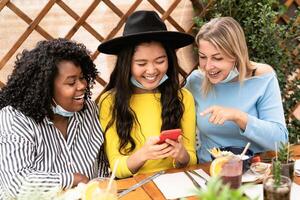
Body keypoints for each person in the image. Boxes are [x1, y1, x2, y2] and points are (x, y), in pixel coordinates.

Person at [0, 38, 109, 199]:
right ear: (45, 88)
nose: (82, 86)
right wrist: (72, 179)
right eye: (71, 82)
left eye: (82, 77)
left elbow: (101, 166)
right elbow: (16, 184)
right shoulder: (15, 119)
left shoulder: (89, 111)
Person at [98, 10, 197, 178]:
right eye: (141, 63)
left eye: (160, 61)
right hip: (134, 188)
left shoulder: (183, 98)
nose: (151, 70)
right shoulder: (110, 101)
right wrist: (143, 154)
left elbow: (191, 158)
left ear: (170, 60)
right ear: (126, 64)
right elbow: (116, 167)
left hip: (175, 184)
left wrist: (181, 155)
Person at [185, 17, 288, 163]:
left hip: (254, 170)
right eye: (203, 57)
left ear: (236, 55)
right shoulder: (196, 81)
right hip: (208, 170)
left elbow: (280, 142)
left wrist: (238, 117)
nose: (208, 67)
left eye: (217, 58)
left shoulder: (262, 78)